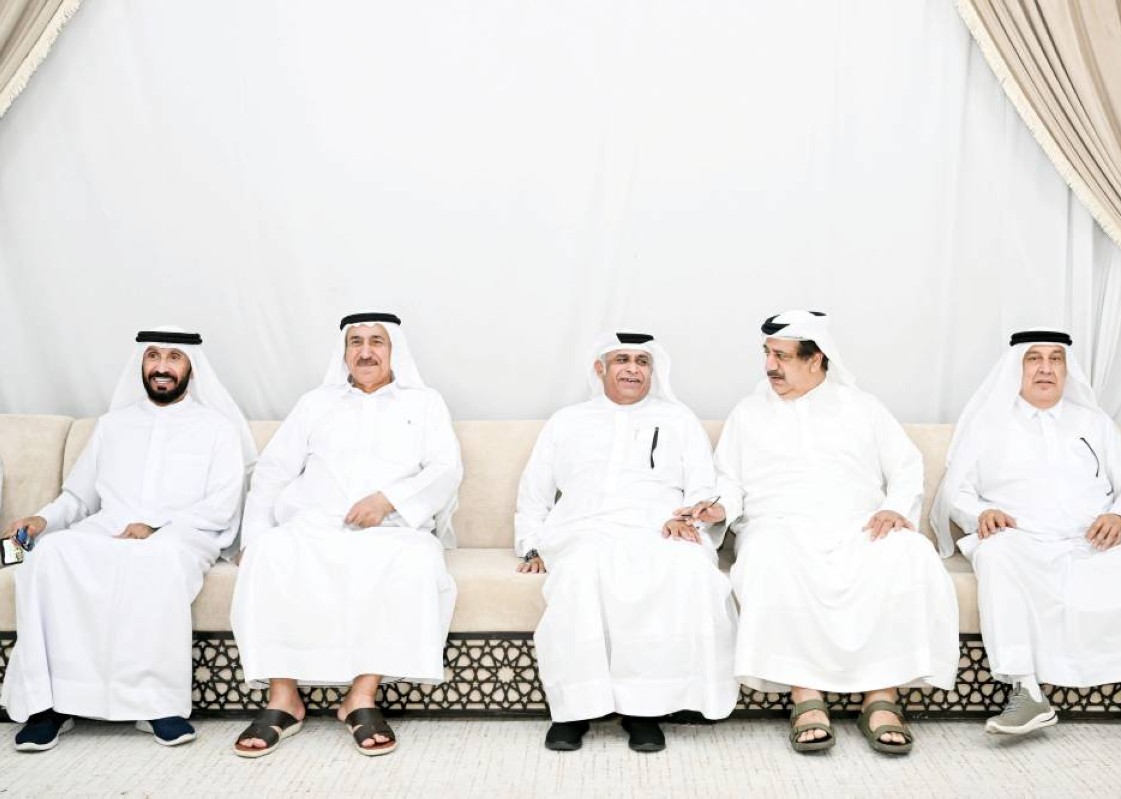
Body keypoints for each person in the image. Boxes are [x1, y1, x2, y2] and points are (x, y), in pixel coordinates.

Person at [931, 330, 1121, 758]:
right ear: (1017, 367)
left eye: (1055, 359)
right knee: (995, 554)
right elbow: (956, 491)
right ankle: (1026, 692)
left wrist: (1119, 515)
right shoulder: (989, 424)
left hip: (1094, 542)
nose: (1045, 368)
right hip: (1023, 542)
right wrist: (979, 513)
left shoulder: (1093, 423)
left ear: (1066, 368)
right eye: (1034, 359)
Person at [707, 310, 958, 755]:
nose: (769, 366)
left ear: (816, 358)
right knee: (766, 557)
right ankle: (806, 698)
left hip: (857, 524)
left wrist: (894, 509)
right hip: (778, 526)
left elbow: (906, 467)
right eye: (767, 353)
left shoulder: (863, 407)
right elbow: (729, 480)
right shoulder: (748, 413)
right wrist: (719, 507)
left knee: (909, 552)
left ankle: (881, 699)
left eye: (782, 356)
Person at [1, 327, 253, 751]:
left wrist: (156, 527)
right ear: (142, 363)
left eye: (173, 358)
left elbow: (222, 505)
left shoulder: (217, 428)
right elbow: (78, 497)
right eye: (153, 356)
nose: (161, 367)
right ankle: (51, 706)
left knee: (154, 559)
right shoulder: (113, 424)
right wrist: (42, 520)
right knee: (50, 555)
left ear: (191, 367)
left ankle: (156, 705)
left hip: (183, 534)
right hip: (110, 526)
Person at [231, 312, 461, 758]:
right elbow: (274, 470)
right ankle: (283, 698)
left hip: (393, 528)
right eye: (356, 342)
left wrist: (388, 500)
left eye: (377, 341)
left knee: (415, 560)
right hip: (313, 524)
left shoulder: (424, 403)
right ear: (344, 352)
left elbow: (446, 469)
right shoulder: (315, 403)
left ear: (394, 351)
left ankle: (361, 696)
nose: (366, 352)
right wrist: (254, 534)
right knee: (268, 553)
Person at [515, 331, 739, 752]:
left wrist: (688, 517)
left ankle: (645, 711)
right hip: (583, 526)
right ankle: (573, 711)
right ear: (600, 369)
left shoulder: (678, 418)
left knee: (686, 567)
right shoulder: (567, 421)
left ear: (653, 370)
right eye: (622, 360)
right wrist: (530, 544)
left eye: (642, 361)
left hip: (658, 526)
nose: (633, 369)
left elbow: (702, 484)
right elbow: (535, 489)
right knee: (582, 570)